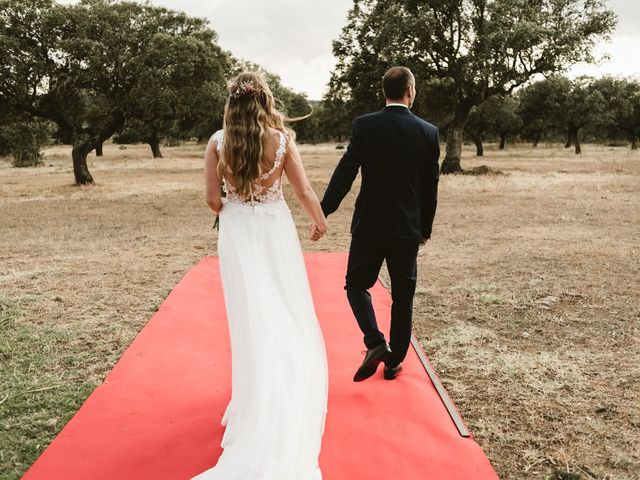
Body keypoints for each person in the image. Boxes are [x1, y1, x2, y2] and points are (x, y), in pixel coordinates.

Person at [194, 71, 329, 479]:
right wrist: (319, 221)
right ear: (264, 100)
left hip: (239, 234)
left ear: (232, 102)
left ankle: (255, 398)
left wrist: (237, 198)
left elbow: (213, 201)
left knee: (250, 316)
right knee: (285, 308)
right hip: (275, 230)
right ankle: (287, 389)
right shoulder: (283, 139)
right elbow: (303, 191)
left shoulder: (218, 143)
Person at [319, 66, 440, 382]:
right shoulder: (428, 132)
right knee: (403, 296)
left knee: (356, 285)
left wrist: (324, 211)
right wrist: (424, 229)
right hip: (406, 229)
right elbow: (430, 188)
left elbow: (345, 172)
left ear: (385, 92)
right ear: (410, 90)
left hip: (369, 226)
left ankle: (375, 342)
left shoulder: (366, 126)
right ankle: (394, 362)